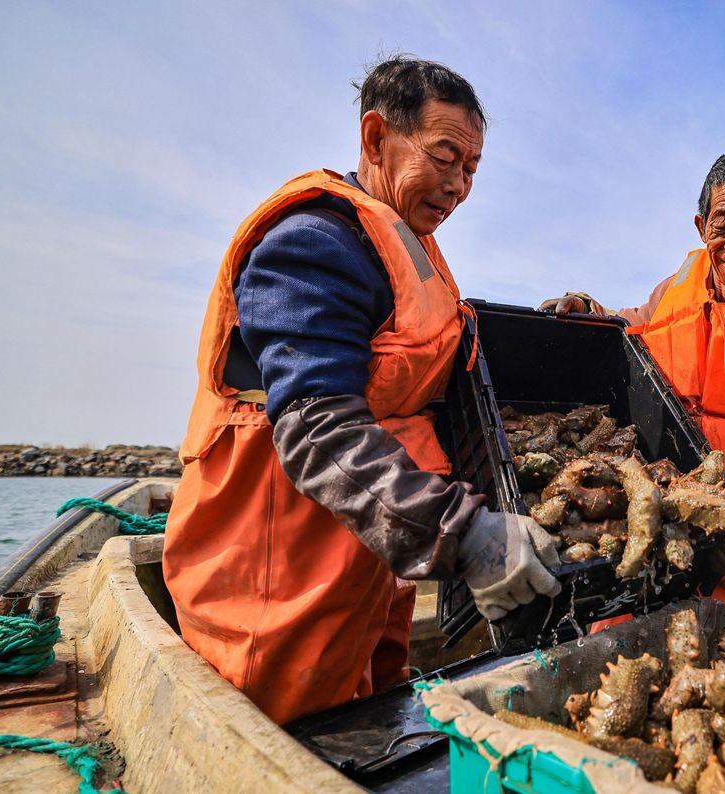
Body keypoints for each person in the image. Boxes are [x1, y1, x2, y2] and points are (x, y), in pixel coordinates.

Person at [162, 57, 560, 726]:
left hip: (375, 557)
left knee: (373, 721)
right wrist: (465, 536)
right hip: (277, 578)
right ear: (377, 138)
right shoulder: (314, 243)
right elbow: (316, 428)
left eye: (472, 168)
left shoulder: (409, 247)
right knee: (289, 740)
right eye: (444, 157)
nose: (459, 184)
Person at [541, 148, 725, 617]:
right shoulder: (674, 290)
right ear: (701, 225)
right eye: (722, 224)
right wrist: (587, 309)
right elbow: (630, 327)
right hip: (668, 523)